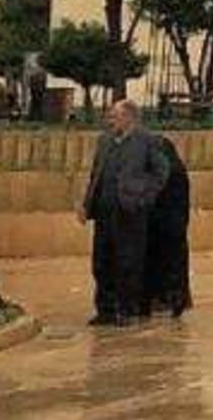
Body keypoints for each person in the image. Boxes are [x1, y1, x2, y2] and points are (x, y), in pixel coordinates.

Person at [79, 99, 171, 325]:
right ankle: (105, 310)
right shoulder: (105, 141)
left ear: (129, 117)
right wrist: (86, 204)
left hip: (130, 211)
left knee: (128, 261)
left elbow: (161, 172)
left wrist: (144, 198)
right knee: (101, 261)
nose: (111, 120)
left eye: (115, 116)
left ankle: (127, 310)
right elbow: (95, 175)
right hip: (104, 211)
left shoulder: (147, 141)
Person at [143, 135, 194, 317]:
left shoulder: (165, 173)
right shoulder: (178, 170)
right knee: (175, 264)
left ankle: (164, 299)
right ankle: (176, 299)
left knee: (161, 263)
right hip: (175, 227)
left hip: (163, 227)